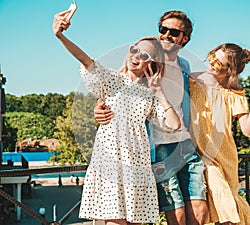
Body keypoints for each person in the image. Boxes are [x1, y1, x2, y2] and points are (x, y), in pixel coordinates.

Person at [52, 9, 181, 225]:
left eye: (144, 56)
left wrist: (159, 93)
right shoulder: (112, 80)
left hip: (137, 167)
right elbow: (86, 60)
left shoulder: (150, 93)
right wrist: (60, 35)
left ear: (152, 64)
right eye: (134, 50)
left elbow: (174, 124)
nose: (136, 57)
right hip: (110, 164)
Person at [94, 10, 208, 225]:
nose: (166, 35)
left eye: (174, 32)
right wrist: (99, 110)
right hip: (159, 147)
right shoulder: (146, 61)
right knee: (177, 213)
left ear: (185, 39)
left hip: (186, 144)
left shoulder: (185, 65)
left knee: (200, 211)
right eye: (162, 30)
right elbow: (116, 87)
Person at [189, 43, 250, 225]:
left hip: (225, 157)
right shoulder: (193, 81)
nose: (211, 63)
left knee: (226, 212)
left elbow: (247, 131)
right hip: (200, 156)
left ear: (229, 70)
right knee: (224, 208)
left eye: (217, 62)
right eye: (211, 57)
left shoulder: (235, 94)